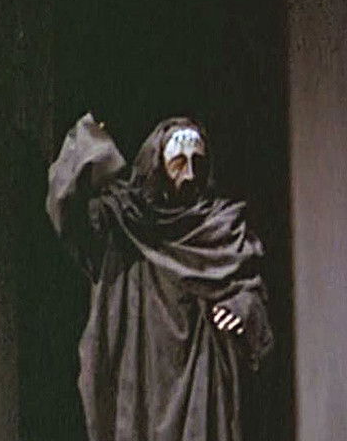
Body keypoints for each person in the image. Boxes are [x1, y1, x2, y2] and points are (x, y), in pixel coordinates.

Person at [47, 113, 273, 441]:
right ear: (157, 166)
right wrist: (90, 140)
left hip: (202, 376)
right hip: (142, 374)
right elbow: (67, 212)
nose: (190, 174)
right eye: (178, 163)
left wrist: (242, 309)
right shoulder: (127, 222)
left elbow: (250, 291)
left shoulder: (221, 227)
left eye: (198, 162)